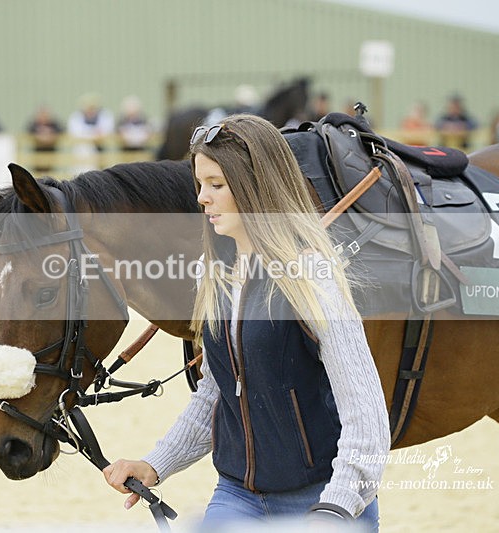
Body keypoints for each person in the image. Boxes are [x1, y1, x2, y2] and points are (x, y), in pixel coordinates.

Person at [103, 114, 390, 530]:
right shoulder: (213, 275)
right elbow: (214, 395)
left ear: (257, 186)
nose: (202, 198)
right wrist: (156, 463)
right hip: (235, 496)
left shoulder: (311, 279)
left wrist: (337, 509)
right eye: (200, 185)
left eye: (216, 185)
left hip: (322, 501)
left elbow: (367, 417)